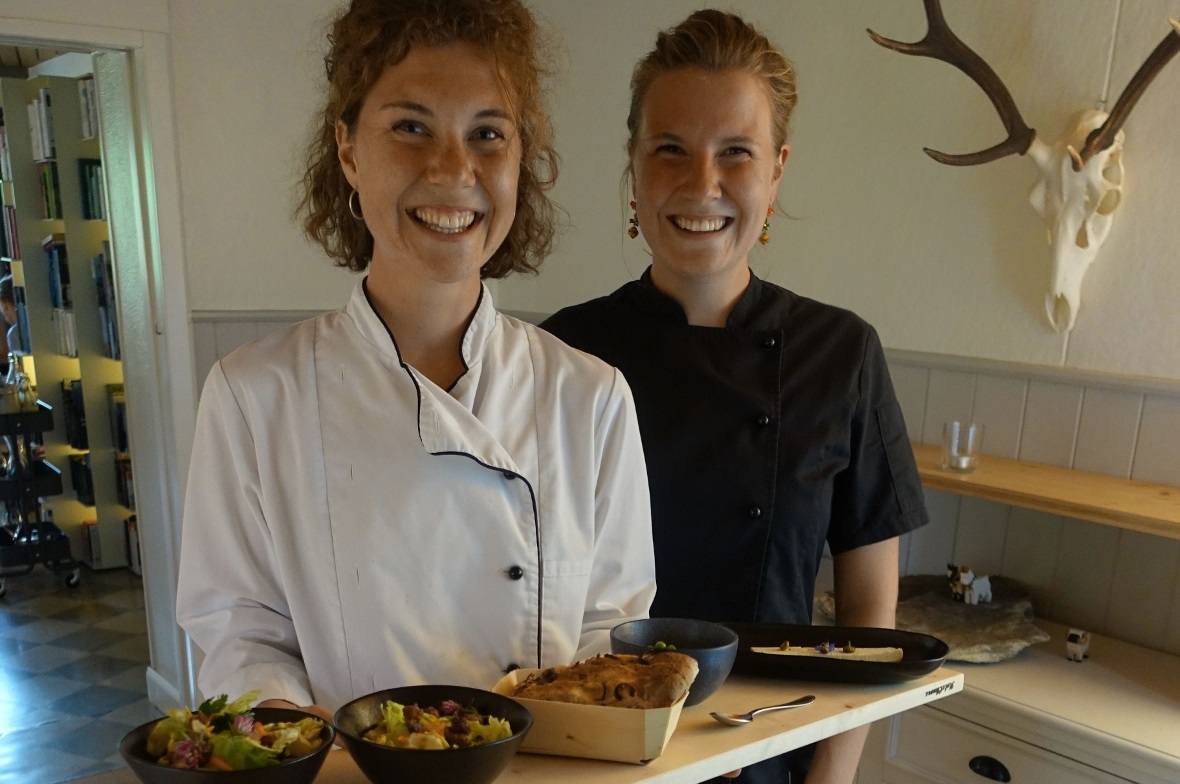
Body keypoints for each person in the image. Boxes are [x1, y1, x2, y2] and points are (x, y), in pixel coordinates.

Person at [176, 0, 655, 724]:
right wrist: (299, 744)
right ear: (347, 151)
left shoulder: (591, 396)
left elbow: (610, 637)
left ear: (520, 159)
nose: (453, 168)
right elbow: (241, 633)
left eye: (488, 134)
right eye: (411, 127)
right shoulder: (254, 394)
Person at [542, 10, 928, 783]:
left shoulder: (842, 353)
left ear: (777, 170)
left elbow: (869, 617)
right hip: (592, 758)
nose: (702, 185)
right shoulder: (560, 353)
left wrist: (831, 778)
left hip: (767, 754)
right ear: (634, 165)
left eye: (736, 154)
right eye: (671, 151)